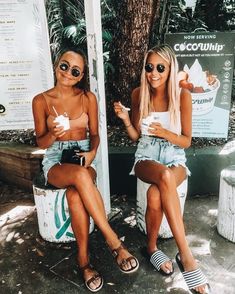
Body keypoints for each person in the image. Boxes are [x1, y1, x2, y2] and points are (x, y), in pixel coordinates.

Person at [32, 47, 139, 292]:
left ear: (81, 76)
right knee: (80, 177)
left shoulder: (88, 98)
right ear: (56, 65)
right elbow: (40, 142)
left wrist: (91, 153)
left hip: (83, 155)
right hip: (57, 160)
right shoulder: (41, 100)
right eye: (64, 66)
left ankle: (83, 262)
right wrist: (52, 135)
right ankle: (114, 242)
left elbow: (95, 136)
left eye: (75, 70)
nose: (68, 72)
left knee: (74, 193)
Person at [114, 44, 210, 294]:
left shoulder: (182, 95)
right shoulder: (138, 94)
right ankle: (187, 258)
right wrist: (126, 120)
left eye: (160, 67)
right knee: (164, 176)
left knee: (155, 193)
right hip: (146, 154)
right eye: (149, 67)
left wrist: (166, 133)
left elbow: (187, 141)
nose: (153, 73)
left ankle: (152, 248)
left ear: (170, 69)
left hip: (174, 153)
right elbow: (136, 136)